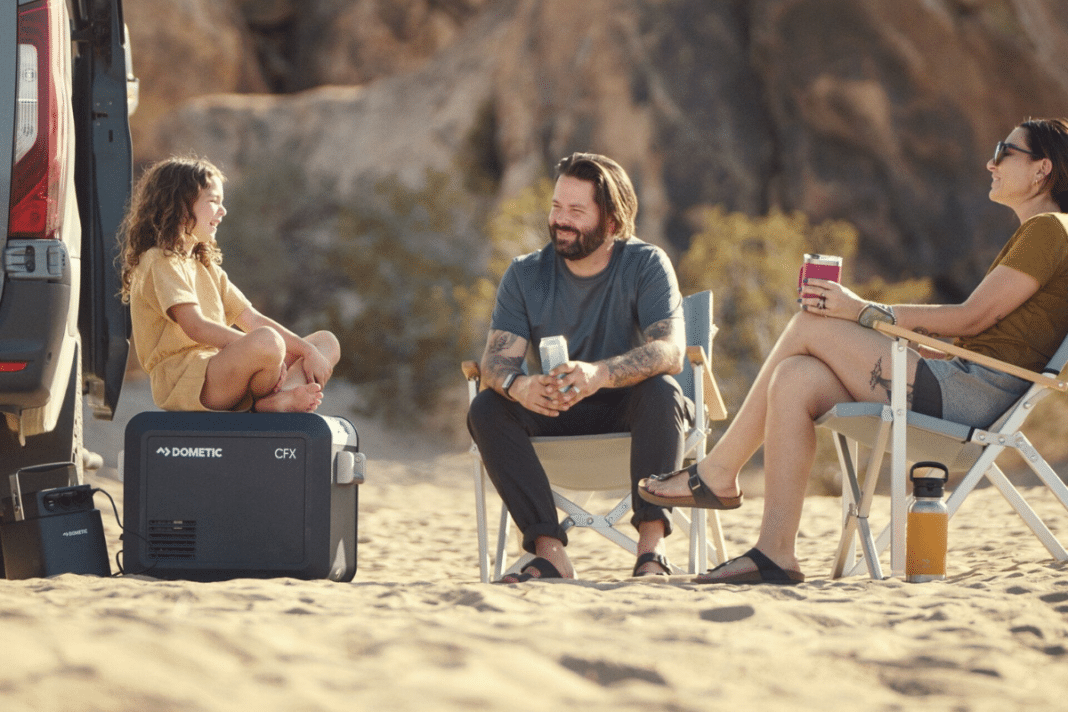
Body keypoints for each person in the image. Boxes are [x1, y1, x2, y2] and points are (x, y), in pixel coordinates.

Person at [639, 117, 1068, 585]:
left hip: (968, 398)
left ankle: (719, 472)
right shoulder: (1042, 232)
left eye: (1004, 150)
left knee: (810, 321)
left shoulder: (1049, 230)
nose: (991, 161)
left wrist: (864, 310)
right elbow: (992, 332)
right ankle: (775, 553)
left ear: (1042, 169)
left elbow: (972, 317)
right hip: (959, 382)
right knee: (795, 377)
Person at [467, 152, 707, 582]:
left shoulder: (646, 264)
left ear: (611, 222)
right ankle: (549, 551)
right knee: (486, 408)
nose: (561, 219)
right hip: (554, 410)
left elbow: (670, 352)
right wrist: (519, 385)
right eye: (557, 207)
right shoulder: (526, 274)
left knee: (663, 390)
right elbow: (496, 361)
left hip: (627, 414)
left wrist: (599, 375)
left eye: (576, 211)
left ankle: (651, 549)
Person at [119, 156, 340, 414]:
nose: (222, 211)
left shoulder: (206, 267)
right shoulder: (159, 261)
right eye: (213, 201)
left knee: (325, 343)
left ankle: (275, 401)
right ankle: (271, 401)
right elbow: (196, 326)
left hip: (225, 370)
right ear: (179, 206)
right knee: (269, 342)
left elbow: (253, 319)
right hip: (188, 380)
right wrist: (265, 348)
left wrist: (306, 351)